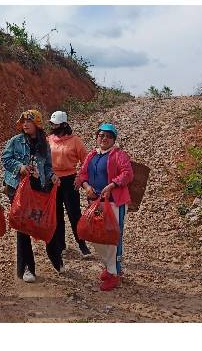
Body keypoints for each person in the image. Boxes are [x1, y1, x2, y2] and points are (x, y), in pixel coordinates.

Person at [78, 123, 134, 291]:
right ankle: (109, 267)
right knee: (97, 235)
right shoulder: (92, 155)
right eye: (101, 135)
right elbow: (82, 174)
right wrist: (86, 186)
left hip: (114, 202)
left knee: (112, 238)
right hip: (96, 202)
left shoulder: (119, 155)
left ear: (113, 139)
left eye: (108, 136)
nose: (104, 139)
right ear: (97, 137)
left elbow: (127, 174)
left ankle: (114, 273)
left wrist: (112, 186)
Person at [1, 108, 55, 283]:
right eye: (23, 121)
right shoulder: (15, 141)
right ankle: (26, 268)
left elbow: (47, 165)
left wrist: (52, 176)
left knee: (35, 224)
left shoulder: (43, 144)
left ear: (37, 124)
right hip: (17, 188)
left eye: (29, 121)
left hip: (37, 189)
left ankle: (54, 258)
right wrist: (20, 168)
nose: (25, 124)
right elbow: (6, 159)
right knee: (22, 227)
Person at [46, 110, 91, 269]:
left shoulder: (75, 141)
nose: (52, 126)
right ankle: (61, 245)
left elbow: (86, 160)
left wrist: (80, 178)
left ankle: (82, 244)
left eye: (55, 124)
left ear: (64, 124)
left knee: (74, 214)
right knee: (56, 215)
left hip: (70, 180)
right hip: (53, 181)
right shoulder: (49, 140)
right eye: (51, 124)